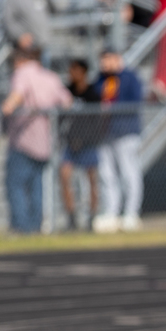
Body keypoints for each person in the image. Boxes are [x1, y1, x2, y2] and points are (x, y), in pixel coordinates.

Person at [0, 47, 72, 233]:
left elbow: (16, 96)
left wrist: (6, 110)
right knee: (36, 185)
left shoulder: (22, 74)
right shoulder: (51, 77)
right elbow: (67, 101)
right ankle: (35, 224)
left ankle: (21, 227)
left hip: (23, 140)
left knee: (15, 185)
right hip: (45, 141)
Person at [93, 50, 144, 233]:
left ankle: (131, 213)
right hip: (105, 133)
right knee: (106, 174)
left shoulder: (130, 77)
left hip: (126, 132)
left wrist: (112, 109)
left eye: (108, 60)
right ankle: (111, 211)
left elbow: (136, 101)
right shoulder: (101, 80)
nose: (105, 65)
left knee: (128, 172)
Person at [59, 58, 102, 230]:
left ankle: (92, 216)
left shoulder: (92, 93)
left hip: (88, 143)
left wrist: (85, 139)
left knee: (91, 179)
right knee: (64, 176)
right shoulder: (67, 91)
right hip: (71, 143)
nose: (71, 74)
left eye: (75, 70)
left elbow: (97, 121)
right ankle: (71, 215)